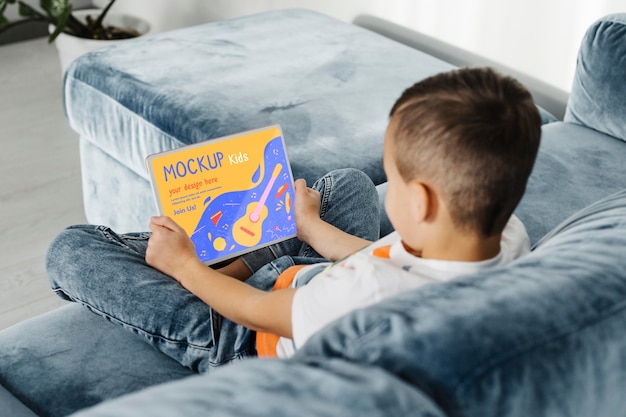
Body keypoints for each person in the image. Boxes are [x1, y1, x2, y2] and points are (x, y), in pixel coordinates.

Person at [47, 67, 541, 372]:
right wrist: (312, 229)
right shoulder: (509, 236)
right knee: (348, 182)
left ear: (423, 203)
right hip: (314, 284)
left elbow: (256, 312)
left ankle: (214, 264)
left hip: (246, 339)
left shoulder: (371, 293)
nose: (387, 181)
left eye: (393, 175)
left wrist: (185, 269)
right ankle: (275, 241)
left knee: (72, 248)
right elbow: (389, 259)